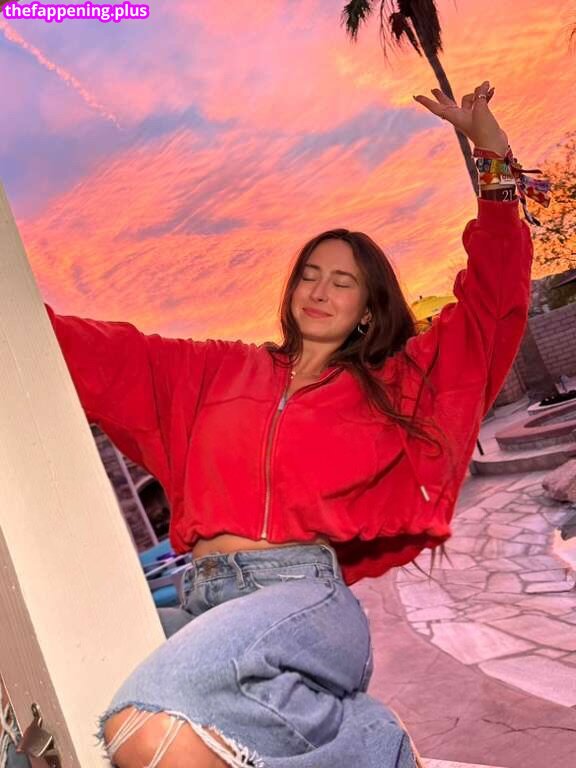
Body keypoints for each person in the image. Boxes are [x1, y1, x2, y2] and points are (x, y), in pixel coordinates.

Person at [42, 80, 540, 768]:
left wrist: (493, 157)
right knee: (75, 689)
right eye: (310, 273)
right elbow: (81, 351)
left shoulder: (393, 387)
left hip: (302, 600)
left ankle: (372, 748)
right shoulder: (214, 372)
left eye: (343, 280)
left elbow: (492, 302)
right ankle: (349, 734)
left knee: (142, 728)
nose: (320, 289)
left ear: (368, 309)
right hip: (203, 598)